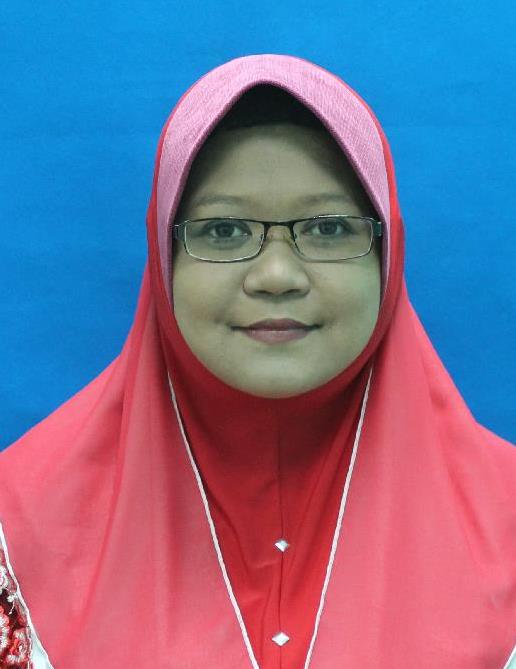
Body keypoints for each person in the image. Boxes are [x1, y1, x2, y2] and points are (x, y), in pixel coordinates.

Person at [0, 54, 514, 669]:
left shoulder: (506, 519)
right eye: (223, 231)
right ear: (163, 257)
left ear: (388, 251)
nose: (276, 275)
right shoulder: (16, 529)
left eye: (328, 228)